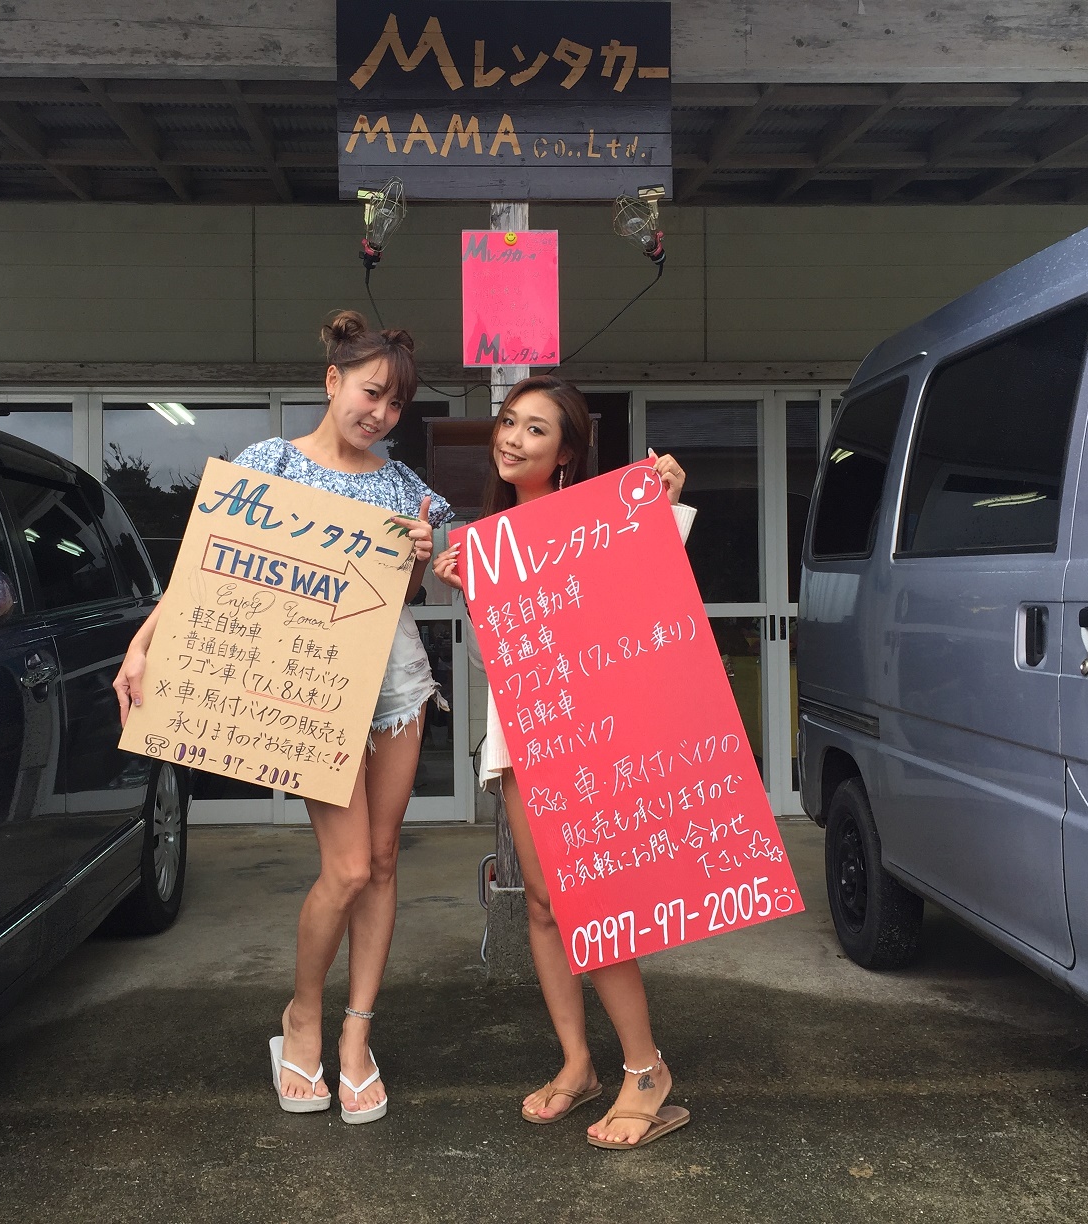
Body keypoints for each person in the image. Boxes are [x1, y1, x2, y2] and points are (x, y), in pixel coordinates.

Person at [114, 310, 450, 1125]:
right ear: (333, 381)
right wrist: (144, 643)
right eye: (371, 393)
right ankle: (303, 1015)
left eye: (396, 404)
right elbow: (205, 567)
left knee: (383, 861)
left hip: (396, 687)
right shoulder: (269, 463)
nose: (381, 414)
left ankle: (356, 1035)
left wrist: (423, 553)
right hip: (308, 691)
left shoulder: (404, 486)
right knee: (348, 869)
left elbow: (428, 579)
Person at [433, 375, 695, 1151]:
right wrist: (470, 596)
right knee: (543, 903)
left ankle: (645, 1069)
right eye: (509, 422)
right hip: (518, 727)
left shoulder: (595, 522)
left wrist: (665, 499)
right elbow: (498, 661)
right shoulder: (490, 538)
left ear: (568, 454)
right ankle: (578, 1063)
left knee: (587, 898)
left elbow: (648, 601)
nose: (513, 439)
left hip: (584, 731)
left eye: (536, 429)